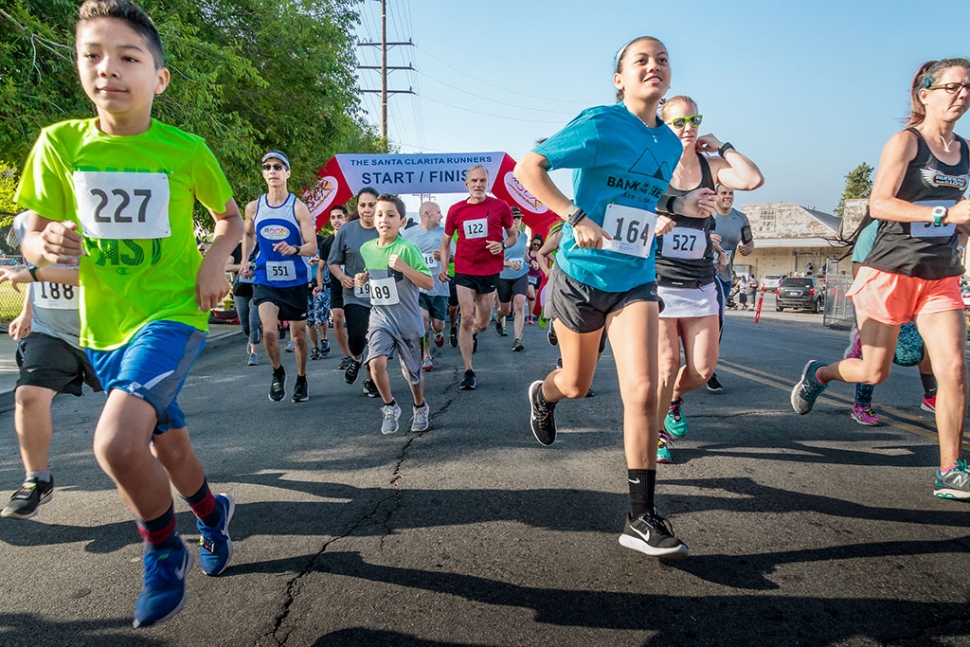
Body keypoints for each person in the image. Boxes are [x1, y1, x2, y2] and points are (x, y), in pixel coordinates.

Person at [15, 0, 243, 627]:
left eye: (127, 57)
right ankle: (212, 513)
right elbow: (29, 230)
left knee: (116, 444)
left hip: (173, 314)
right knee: (170, 451)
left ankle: (163, 550)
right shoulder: (59, 144)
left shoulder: (186, 148)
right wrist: (41, 245)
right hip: (102, 326)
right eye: (92, 55)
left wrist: (213, 261)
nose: (107, 69)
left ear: (159, 78)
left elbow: (230, 219)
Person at [514, 36, 716, 558]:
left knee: (646, 388)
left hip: (636, 276)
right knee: (576, 384)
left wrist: (683, 201)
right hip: (581, 276)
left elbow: (645, 195)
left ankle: (640, 516)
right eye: (641, 60)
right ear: (619, 78)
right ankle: (545, 395)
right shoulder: (601, 123)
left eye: (663, 59)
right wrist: (574, 216)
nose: (655, 66)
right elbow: (528, 167)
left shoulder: (670, 142)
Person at [791, 58, 970, 500]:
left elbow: (960, 219)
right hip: (891, 271)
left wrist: (962, 223)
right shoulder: (906, 143)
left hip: (941, 275)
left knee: (954, 370)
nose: (962, 94)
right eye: (953, 86)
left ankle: (950, 470)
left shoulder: (965, 150)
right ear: (925, 94)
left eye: (968, 87)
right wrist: (945, 212)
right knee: (875, 371)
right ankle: (820, 375)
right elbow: (881, 203)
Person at [653, 96, 763, 463]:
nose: (688, 128)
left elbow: (752, 179)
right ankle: (656, 433)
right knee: (666, 364)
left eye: (694, 120)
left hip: (700, 281)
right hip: (659, 280)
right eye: (679, 122)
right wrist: (656, 221)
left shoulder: (710, 166)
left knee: (702, 370)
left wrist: (723, 147)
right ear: (663, 125)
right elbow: (628, 206)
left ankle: (670, 398)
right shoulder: (654, 165)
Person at [0, 213, 103, 520]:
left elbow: (100, 274)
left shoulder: (96, 206)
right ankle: (37, 480)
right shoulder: (24, 221)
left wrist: (30, 275)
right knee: (28, 396)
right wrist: (27, 313)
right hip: (52, 332)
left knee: (148, 421)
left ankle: (193, 494)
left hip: (107, 332)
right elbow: (39, 266)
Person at [239, 150, 317, 403]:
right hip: (266, 278)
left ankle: (302, 378)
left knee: (298, 337)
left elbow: (312, 246)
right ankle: (277, 372)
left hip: (295, 281)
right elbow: (249, 235)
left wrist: (294, 249)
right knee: (269, 333)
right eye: (267, 166)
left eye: (278, 166)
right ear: (263, 173)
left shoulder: (298, 207)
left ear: (287, 173)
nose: (272, 170)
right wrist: (244, 260)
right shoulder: (253, 207)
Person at [354, 194, 434, 433]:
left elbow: (429, 283)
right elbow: (373, 269)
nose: (384, 220)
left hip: (408, 320)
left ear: (401, 222)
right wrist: (363, 276)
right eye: (379, 214)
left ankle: (420, 406)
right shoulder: (366, 248)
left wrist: (403, 267)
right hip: (381, 318)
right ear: (372, 219)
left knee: (414, 376)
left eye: (391, 215)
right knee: (375, 362)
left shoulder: (407, 248)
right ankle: (390, 406)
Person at [439, 165, 518, 390]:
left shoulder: (500, 206)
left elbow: (513, 236)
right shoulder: (456, 210)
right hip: (464, 270)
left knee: (482, 323)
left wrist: (502, 244)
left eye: (482, 181)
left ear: (488, 183)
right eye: (474, 181)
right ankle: (469, 371)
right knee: (466, 316)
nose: (478, 185)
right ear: (467, 184)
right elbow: (445, 243)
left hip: (489, 271)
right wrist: (444, 267)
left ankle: (472, 333)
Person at [329, 187, 381, 398]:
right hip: (355, 295)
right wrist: (342, 278)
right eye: (363, 205)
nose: (367, 209)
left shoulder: (386, 228)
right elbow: (333, 262)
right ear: (357, 207)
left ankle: (371, 379)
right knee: (358, 336)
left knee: (376, 339)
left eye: (371, 205)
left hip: (382, 295)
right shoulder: (347, 230)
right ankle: (357, 358)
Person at [707, 184, 754, 392]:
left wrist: (746, 248)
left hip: (725, 277)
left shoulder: (741, 218)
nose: (727, 196)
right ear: (715, 195)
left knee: (716, 325)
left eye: (730, 193)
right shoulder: (706, 214)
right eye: (723, 193)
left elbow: (750, 242)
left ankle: (707, 366)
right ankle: (705, 367)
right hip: (704, 274)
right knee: (710, 322)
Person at [402, 201, 449, 371]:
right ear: (427, 214)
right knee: (423, 320)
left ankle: (438, 332)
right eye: (438, 212)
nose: (441, 216)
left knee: (438, 324)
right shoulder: (407, 235)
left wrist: (445, 258)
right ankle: (426, 355)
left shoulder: (445, 234)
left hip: (439, 287)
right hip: (418, 287)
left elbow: (456, 257)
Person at [313, 205, 348, 362]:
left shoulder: (353, 239)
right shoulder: (327, 243)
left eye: (339, 217)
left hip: (356, 286)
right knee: (338, 319)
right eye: (333, 218)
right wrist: (319, 285)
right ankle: (347, 356)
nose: (336, 221)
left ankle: (360, 352)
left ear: (346, 218)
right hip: (336, 286)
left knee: (358, 324)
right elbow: (320, 268)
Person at [496, 208, 530, 351]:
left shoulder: (523, 237)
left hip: (521, 275)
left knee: (520, 305)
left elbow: (523, 254)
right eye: (513, 217)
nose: (516, 220)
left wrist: (530, 261)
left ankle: (517, 339)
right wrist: (509, 264)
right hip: (504, 276)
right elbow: (494, 259)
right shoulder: (500, 236)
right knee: (505, 310)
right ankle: (498, 318)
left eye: (519, 217)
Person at [230, 242, 261, 365]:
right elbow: (226, 266)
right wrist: (241, 267)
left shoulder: (264, 246)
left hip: (259, 288)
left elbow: (270, 265)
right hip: (241, 289)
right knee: (245, 324)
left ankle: (254, 353)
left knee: (254, 320)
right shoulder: (238, 248)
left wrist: (255, 271)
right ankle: (251, 337)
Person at [526, 235, 544, 324]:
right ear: (531, 243)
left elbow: (553, 258)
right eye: (534, 244)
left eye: (538, 245)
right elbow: (522, 258)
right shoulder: (528, 251)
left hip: (538, 277)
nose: (536, 246)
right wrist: (528, 264)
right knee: (532, 294)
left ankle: (530, 315)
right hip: (528, 276)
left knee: (534, 297)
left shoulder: (542, 252)